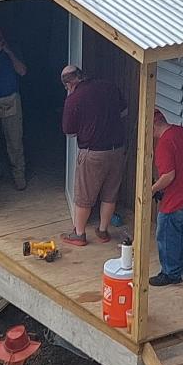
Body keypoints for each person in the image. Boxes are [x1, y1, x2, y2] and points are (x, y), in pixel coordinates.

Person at [60, 65, 128, 247]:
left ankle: (79, 234)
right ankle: (103, 230)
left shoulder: (74, 99)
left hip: (93, 153)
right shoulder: (109, 86)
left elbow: (69, 132)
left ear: (69, 84)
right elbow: (124, 112)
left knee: (84, 196)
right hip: (117, 150)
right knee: (110, 193)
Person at [149, 109, 183, 286]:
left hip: (177, 198)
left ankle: (170, 273)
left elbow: (168, 176)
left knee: (166, 233)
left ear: (154, 125)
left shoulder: (164, 144)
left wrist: (152, 189)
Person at [0, 26, 28, 191]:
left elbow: (22, 71)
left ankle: (19, 175)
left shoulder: (13, 48)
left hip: (11, 100)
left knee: (14, 141)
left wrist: (8, 52)